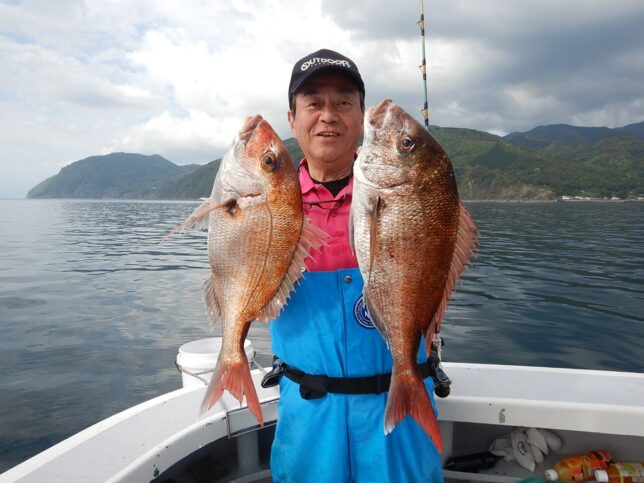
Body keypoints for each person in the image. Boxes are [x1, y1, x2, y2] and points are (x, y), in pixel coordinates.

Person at [266, 48, 444, 482]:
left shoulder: (408, 194)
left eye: (343, 102)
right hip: (309, 417)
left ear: (361, 116)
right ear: (292, 119)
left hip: (399, 417)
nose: (328, 115)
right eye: (313, 103)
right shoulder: (269, 207)